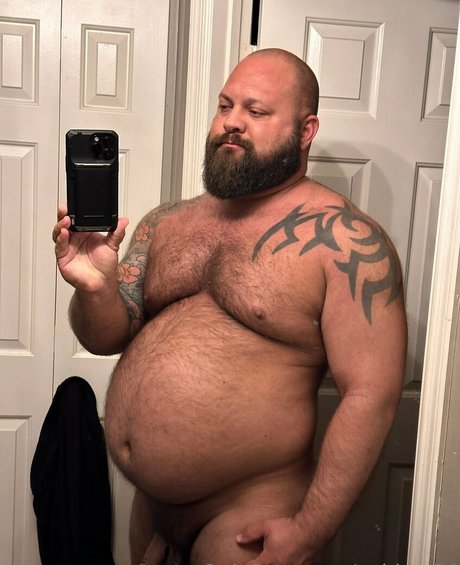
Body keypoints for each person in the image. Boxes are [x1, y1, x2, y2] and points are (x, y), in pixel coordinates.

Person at [53, 48, 407, 565]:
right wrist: (94, 287)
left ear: (306, 131)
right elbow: (105, 337)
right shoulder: (167, 222)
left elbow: (372, 395)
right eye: (225, 106)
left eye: (255, 111)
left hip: (247, 514)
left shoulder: (345, 242)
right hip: (151, 512)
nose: (232, 123)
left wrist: (309, 532)